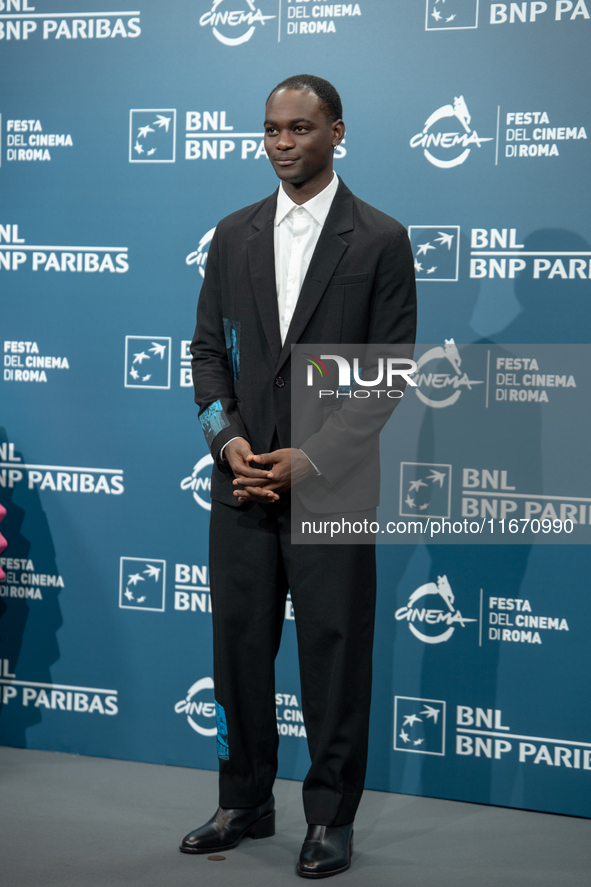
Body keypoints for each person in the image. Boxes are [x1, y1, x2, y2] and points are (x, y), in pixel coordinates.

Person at [183, 74, 416, 878]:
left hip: (333, 486)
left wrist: (310, 459)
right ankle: (243, 798)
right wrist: (228, 444)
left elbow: (387, 376)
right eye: (272, 130)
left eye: (301, 129)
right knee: (238, 649)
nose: (283, 143)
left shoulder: (380, 237)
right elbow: (207, 354)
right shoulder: (231, 234)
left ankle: (328, 817)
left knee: (334, 652)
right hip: (241, 484)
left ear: (337, 133)